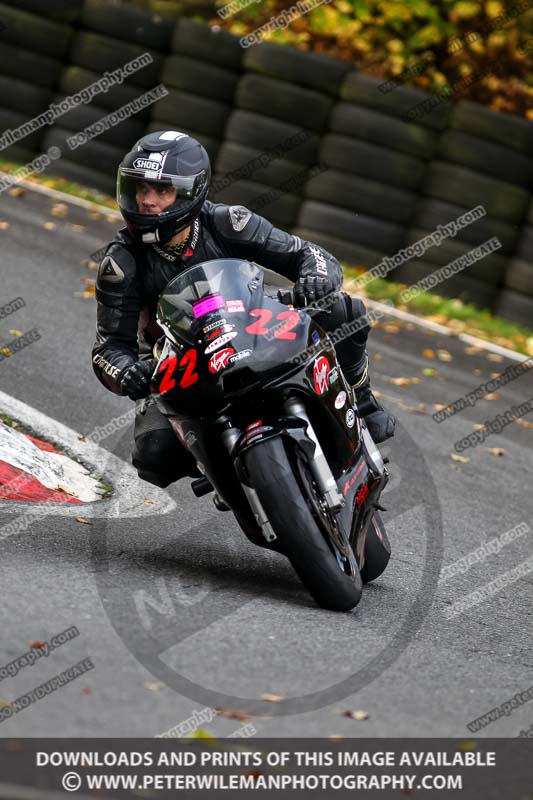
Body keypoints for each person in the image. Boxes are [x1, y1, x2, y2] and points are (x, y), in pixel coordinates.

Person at [92, 130, 395, 490]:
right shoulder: (121, 264)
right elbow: (109, 348)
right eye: (141, 189)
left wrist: (315, 277)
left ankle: (360, 399)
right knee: (153, 456)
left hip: (251, 323)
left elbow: (306, 253)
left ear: (191, 192)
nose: (148, 202)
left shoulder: (227, 222)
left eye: (162, 190)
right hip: (178, 360)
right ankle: (220, 468)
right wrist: (127, 372)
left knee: (342, 310)